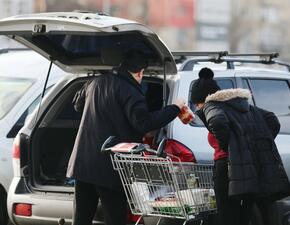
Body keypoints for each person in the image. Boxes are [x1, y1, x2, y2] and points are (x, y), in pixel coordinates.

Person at [66, 49, 185, 225]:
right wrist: (174, 108)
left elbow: (77, 105)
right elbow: (143, 124)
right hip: (110, 166)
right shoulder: (131, 92)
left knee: (81, 218)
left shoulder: (95, 83)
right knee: (115, 218)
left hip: (83, 163)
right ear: (140, 72)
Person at [190, 67, 290, 225]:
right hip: (249, 168)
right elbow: (272, 120)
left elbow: (218, 122)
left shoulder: (212, 106)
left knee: (227, 216)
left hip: (226, 169)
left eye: (197, 103)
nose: (197, 108)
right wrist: (252, 145)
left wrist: (228, 147)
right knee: (244, 215)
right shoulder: (243, 107)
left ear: (205, 99)